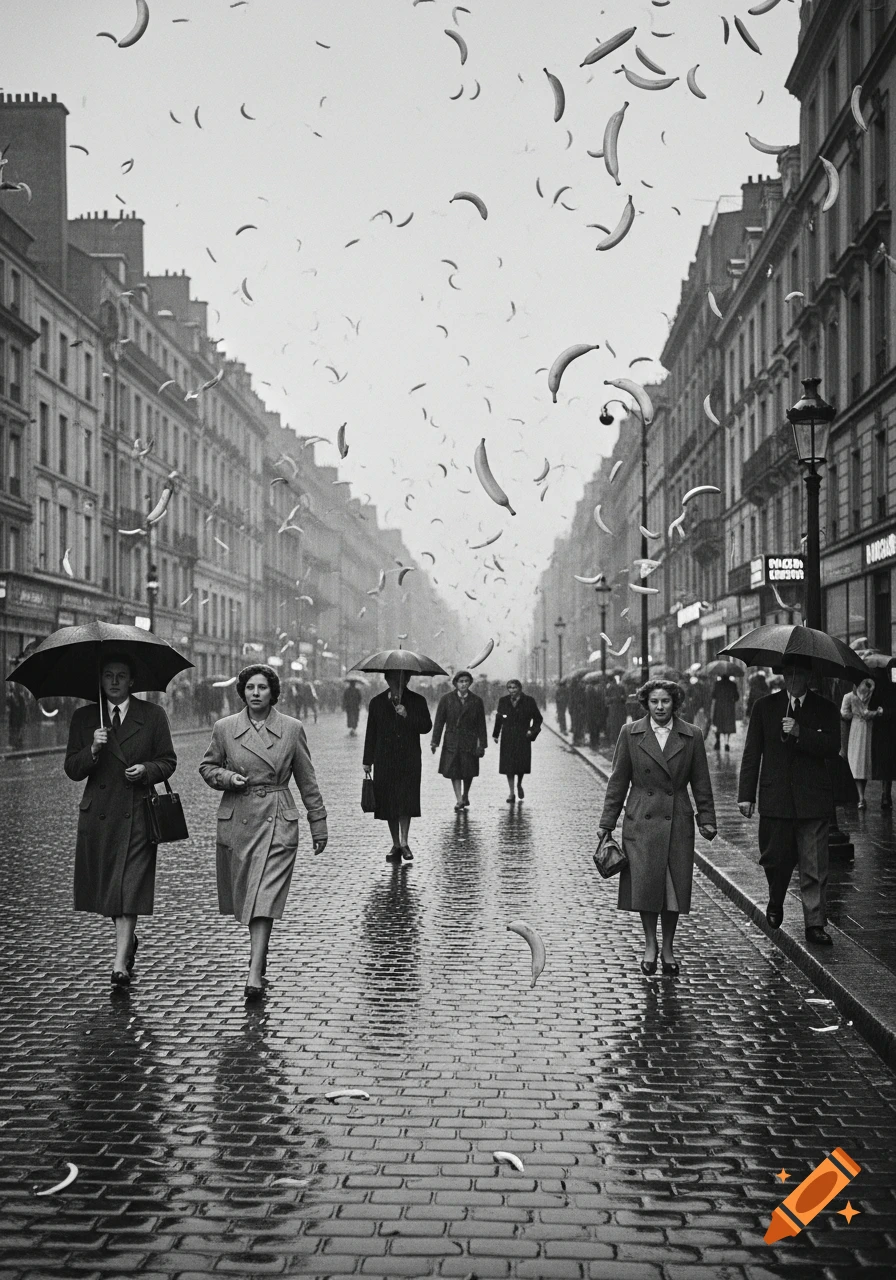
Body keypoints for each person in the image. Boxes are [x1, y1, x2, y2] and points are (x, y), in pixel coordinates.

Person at [199, 663, 328, 999]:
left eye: (262, 688)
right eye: (250, 688)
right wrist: (227, 778)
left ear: (274, 693)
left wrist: (318, 822)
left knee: (263, 896)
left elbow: (307, 779)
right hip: (239, 819)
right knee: (248, 895)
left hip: (277, 820)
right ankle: (259, 956)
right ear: (242, 692)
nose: (255, 693)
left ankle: (254, 972)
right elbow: (207, 766)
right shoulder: (225, 728)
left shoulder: (291, 728)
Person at [64, 654, 177, 987]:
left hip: (138, 812)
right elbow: (72, 769)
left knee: (129, 886)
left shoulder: (152, 715)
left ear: (132, 681)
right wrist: (92, 751)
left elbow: (168, 761)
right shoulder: (84, 718)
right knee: (111, 888)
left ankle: (119, 963)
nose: (114, 681)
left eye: (121, 675)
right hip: (98, 816)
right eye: (108, 675)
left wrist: (147, 770)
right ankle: (127, 943)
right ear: (100, 680)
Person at [597, 679, 717, 975]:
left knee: (673, 889)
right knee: (647, 886)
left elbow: (701, 781)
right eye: (654, 702)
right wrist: (606, 823)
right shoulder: (630, 733)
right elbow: (618, 780)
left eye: (665, 701)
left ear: (675, 703)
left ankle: (668, 947)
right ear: (646, 704)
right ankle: (650, 944)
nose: (660, 707)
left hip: (677, 819)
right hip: (641, 821)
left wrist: (707, 818)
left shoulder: (691, 735)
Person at [737, 657, 841, 946]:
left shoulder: (826, 709)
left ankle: (815, 923)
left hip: (813, 800)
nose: (793, 679)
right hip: (776, 799)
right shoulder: (764, 707)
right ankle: (776, 897)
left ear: (809, 676)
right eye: (789, 673)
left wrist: (801, 733)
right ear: (782, 675)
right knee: (776, 859)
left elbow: (833, 748)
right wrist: (746, 795)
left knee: (814, 864)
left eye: (799, 673)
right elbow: (751, 753)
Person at [363, 670, 432, 861]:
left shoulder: (418, 700)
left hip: (408, 758)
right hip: (384, 759)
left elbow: (426, 726)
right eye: (392, 679)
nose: (397, 682)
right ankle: (395, 844)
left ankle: (404, 842)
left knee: (405, 800)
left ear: (408, 679)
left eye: (401, 679)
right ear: (387, 680)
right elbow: (371, 732)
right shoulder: (377, 702)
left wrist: (407, 715)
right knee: (388, 801)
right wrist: (367, 760)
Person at [431, 671, 488, 811]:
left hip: (470, 741)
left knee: (468, 771)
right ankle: (459, 799)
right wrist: (434, 741)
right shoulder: (446, 699)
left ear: (470, 683)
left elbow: (481, 724)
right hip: (452, 740)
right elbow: (439, 721)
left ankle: (466, 793)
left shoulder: (476, 701)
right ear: (455, 683)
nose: (463, 684)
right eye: (461, 681)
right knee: (454, 770)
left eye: (466, 681)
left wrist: (482, 744)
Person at [492, 679, 543, 803]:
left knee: (520, 764)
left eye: (514, 688)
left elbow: (538, 718)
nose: (512, 690)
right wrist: (496, 734)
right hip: (508, 737)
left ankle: (519, 783)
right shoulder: (503, 701)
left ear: (520, 688)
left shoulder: (529, 701)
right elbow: (499, 718)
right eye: (510, 688)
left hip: (522, 736)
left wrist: (531, 730)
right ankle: (511, 792)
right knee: (508, 765)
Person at [840, 677, 880, 808]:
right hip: (867, 728)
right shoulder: (870, 695)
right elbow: (869, 713)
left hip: (856, 727)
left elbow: (844, 713)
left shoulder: (849, 696)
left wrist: (854, 715)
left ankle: (860, 797)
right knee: (864, 762)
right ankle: (861, 797)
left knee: (857, 761)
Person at [869, 670, 896, 810]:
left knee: (886, 762)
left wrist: (882, 711)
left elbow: (872, 706)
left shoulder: (878, 686)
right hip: (887, 731)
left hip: (884, 731)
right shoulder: (887, 686)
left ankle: (885, 795)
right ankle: (886, 795)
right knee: (887, 762)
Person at [710, 673, 739, 750]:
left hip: (719, 707)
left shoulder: (717, 684)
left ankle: (718, 741)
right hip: (729, 707)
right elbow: (736, 697)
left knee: (718, 724)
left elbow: (713, 695)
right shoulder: (733, 684)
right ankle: (726, 743)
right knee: (728, 725)